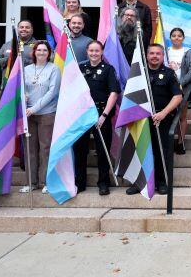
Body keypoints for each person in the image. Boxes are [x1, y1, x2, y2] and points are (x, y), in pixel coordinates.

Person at [126, 44, 183, 196]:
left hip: (161, 119)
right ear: (146, 55)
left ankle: (161, 182)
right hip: (141, 119)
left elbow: (178, 97)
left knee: (160, 151)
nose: (155, 56)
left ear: (163, 56)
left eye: (158, 53)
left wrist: (163, 113)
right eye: (151, 53)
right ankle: (139, 183)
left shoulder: (169, 73)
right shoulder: (139, 74)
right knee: (140, 151)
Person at [73, 41, 119, 195]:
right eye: (91, 50)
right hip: (83, 114)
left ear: (101, 52)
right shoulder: (80, 68)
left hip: (101, 115)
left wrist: (105, 114)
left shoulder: (108, 69)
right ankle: (80, 183)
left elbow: (114, 93)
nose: (94, 53)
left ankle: (104, 183)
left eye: (97, 50)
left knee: (102, 150)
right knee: (80, 150)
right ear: (87, 52)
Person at [20, 41, 61, 194]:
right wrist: (23, 97)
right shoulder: (26, 69)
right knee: (30, 149)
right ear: (34, 52)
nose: (42, 53)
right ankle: (31, 182)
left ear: (49, 53)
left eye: (45, 50)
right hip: (28, 115)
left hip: (46, 113)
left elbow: (52, 93)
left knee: (45, 148)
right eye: (39, 50)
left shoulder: (54, 69)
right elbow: (22, 88)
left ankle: (46, 182)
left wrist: (34, 108)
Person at [167, 28, 191, 155]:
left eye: (179, 36)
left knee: (182, 116)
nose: (176, 38)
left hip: (183, 88)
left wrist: (180, 83)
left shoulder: (188, 52)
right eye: (174, 35)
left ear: (183, 38)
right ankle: (169, 140)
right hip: (167, 88)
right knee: (168, 115)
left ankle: (180, 142)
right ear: (170, 38)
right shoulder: (166, 51)